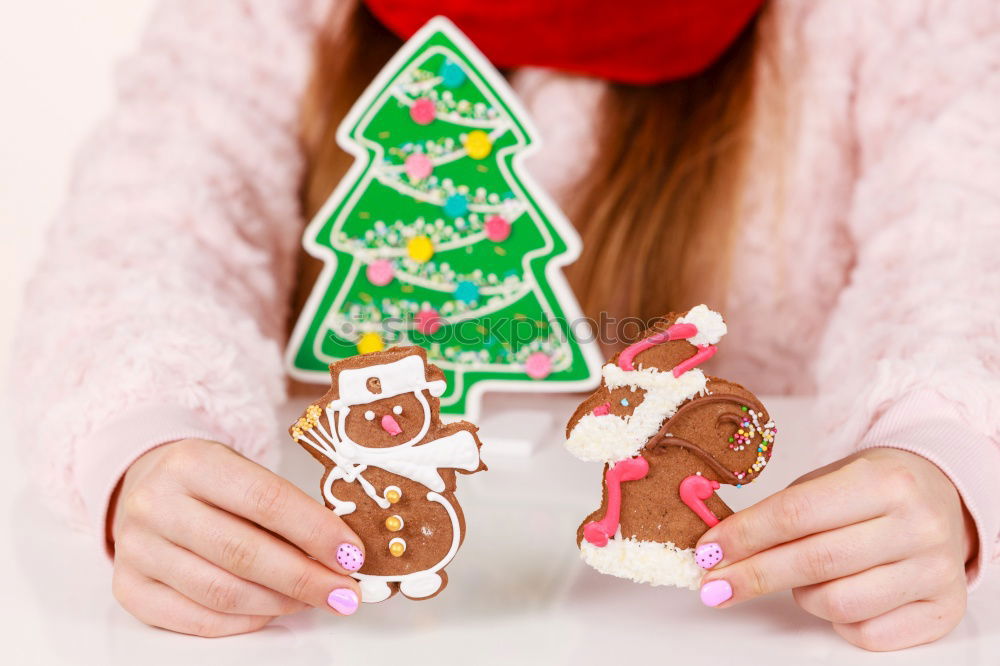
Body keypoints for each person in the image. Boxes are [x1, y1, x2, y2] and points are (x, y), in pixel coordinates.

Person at [10, 0, 998, 649]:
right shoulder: (269, 18)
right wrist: (142, 440)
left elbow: (962, 249)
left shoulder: (892, 22)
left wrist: (944, 458)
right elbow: (143, 234)